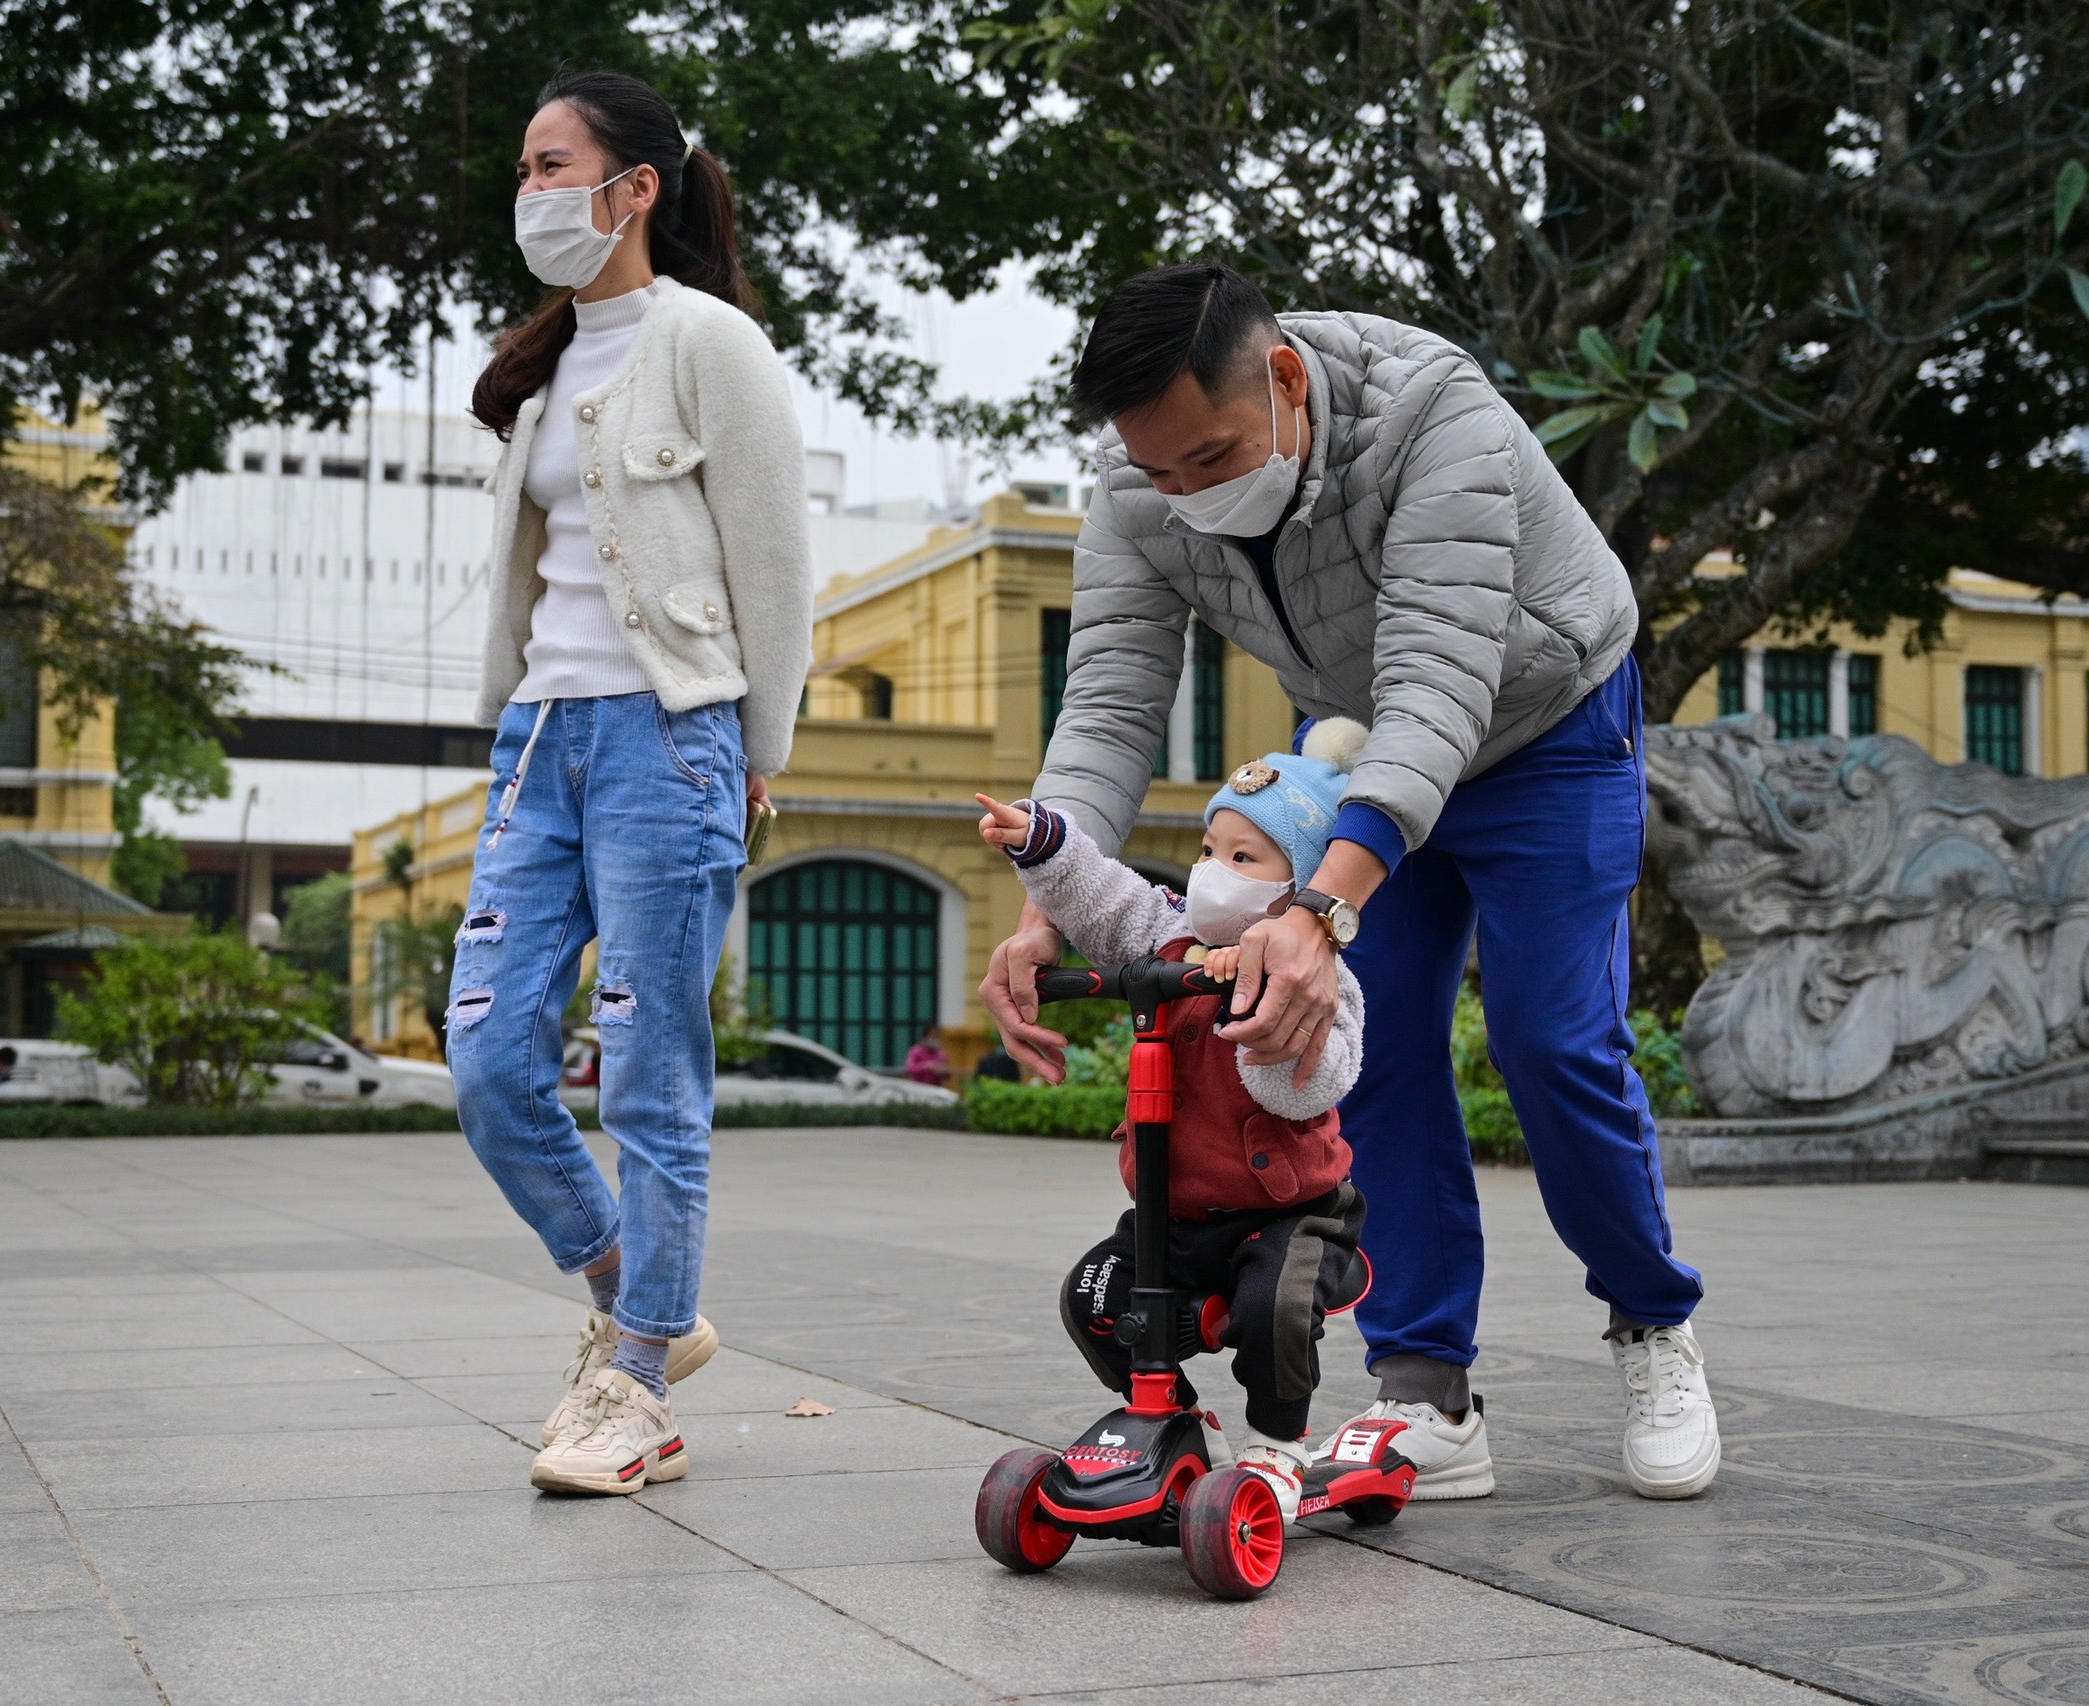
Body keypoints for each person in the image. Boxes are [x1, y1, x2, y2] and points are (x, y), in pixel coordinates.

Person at [981, 262, 1719, 1502]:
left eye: (1209, 459)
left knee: (1553, 1042)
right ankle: (1426, 1388)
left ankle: (1652, 1324)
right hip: (1361, 748)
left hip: (1547, 725)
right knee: (1345, 1051)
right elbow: (1109, 702)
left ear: (1280, 380)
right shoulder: (1139, 482)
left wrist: (1321, 905)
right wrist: (1046, 900)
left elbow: (1439, 675)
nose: (1185, 497)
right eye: (1157, 473)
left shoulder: (1435, 410)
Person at [451, 70, 812, 1498]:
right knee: (486, 1058)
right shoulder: (540, 365)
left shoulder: (709, 344)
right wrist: (498, 721)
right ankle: (635, 1289)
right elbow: (528, 579)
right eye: (526, 171)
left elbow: (774, 564)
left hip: (673, 735)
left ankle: (640, 1382)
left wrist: (758, 750)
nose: (531, 192)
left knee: (653, 1070)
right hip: (540, 737)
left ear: (635, 185)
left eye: (553, 166)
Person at [971, 721, 1372, 1522]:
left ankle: (1278, 1444)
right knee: (1093, 1297)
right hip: (1175, 1213)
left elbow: (1307, 1090)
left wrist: (1253, 1003)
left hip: (1291, 1217)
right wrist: (1040, 841)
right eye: (1208, 850)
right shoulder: (1166, 933)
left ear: (1297, 887)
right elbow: (1103, 892)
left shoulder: (1320, 980)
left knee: (1273, 1310)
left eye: (1244, 859)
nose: (1214, 874)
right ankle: (1185, 1426)